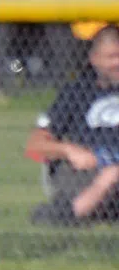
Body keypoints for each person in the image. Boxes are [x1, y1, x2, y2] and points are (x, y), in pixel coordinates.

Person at [27, 24, 119, 225]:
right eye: (111, 57)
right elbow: (35, 144)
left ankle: (68, 213)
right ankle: (71, 212)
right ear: (94, 59)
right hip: (86, 171)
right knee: (111, 173)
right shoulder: (77, 92)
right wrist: (69, 150)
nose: (117, 63)